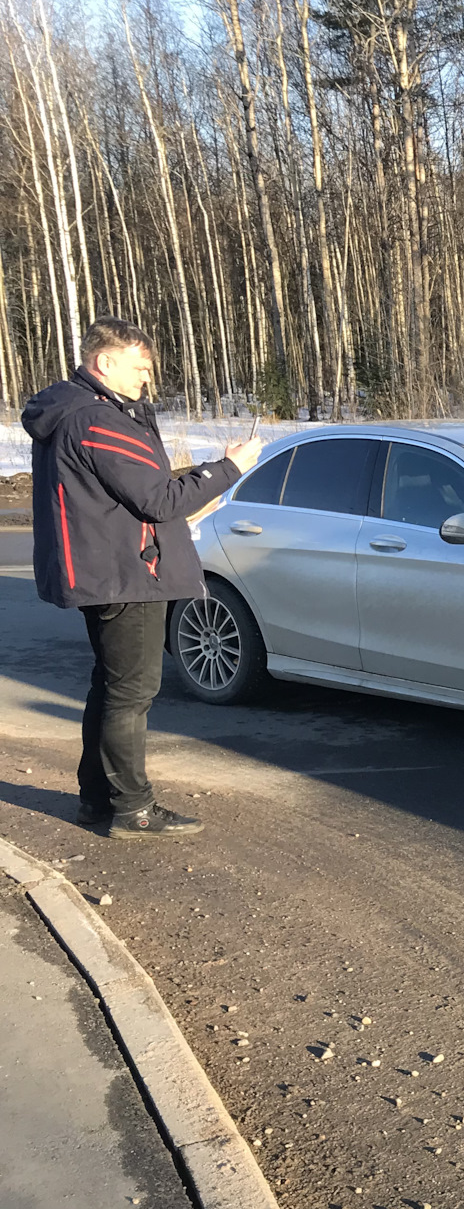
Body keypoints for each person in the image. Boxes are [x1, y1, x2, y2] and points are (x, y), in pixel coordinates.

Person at [21, 319, 264, 838]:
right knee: (130, 693)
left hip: (109, 571)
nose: (145, 380)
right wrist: (226, 469)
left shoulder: (80, 412)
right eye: (138, 368)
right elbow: (159, 499)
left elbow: (141, 492)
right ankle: (132, 807)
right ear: (103, 363)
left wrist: (203, 475)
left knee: (111, 688)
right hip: (125, 575)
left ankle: (97, 800)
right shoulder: (98, 419)